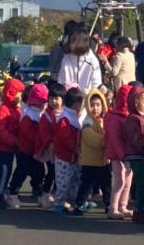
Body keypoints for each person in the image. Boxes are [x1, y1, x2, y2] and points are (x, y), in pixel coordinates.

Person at [9, 82, 50, 206]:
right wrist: (42, 138)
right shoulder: (28, 114)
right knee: (21, 172)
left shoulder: (41, 113)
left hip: (36, 150)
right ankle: (12, 193)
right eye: (41, 102)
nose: (44, 104)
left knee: (39, 173)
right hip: (25, 150)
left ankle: (38, 193)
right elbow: (28, 135)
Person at [75, 87, 111, 213]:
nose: (95, 108)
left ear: (103, 105)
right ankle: (79, 204)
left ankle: (109, 205)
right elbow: (89, 137)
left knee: (106, 184)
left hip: (103, 160)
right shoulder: (88, 121)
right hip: (90, 160)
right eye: (92, 105)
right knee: (86, 184)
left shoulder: (104, 120)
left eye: (98, 105)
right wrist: (105, 140)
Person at [0, 76, 23, 205]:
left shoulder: (15, 109)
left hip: (10, 146)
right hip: (3, 147)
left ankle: (3, 194)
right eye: (18, 93)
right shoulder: (3, 110)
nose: (20, 96)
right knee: (4, 173)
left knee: (7, 172)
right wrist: (14, 140)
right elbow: (0, 131)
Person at [52, 85, 84, 213]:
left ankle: (75, 202)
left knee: (75, 180)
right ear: (75, 104)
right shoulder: (65, 118)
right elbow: (65, 137)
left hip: (74, 157)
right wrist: (75, 147)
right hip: (64, 157)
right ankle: (59, 204)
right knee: (63, 182)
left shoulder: (74, 117)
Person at [104, 83, 133, 219]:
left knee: (127, 181)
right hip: (118, 155)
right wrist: (123, 156)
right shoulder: (115, 118)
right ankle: (113, 208)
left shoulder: (126, 116)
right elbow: (115, 140)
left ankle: (122, 206)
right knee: (120, 181)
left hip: (127, 154)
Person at [123, 84, 144, 223]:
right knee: (142, 182)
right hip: (137, 154)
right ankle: (139, 210)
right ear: (136, 102)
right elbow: (136, 137)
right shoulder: (133, 119)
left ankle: (141, 208)